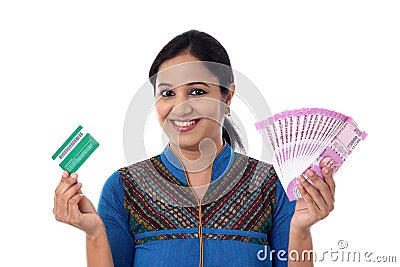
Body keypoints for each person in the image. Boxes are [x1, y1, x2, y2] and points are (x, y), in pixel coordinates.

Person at [53, 30, 336, 267]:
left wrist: (301, 230)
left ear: (228, 97)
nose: (181, 106)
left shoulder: (269, 185)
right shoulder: (124, 188)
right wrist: (93, 233)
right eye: (167, 93)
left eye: (197, 91)